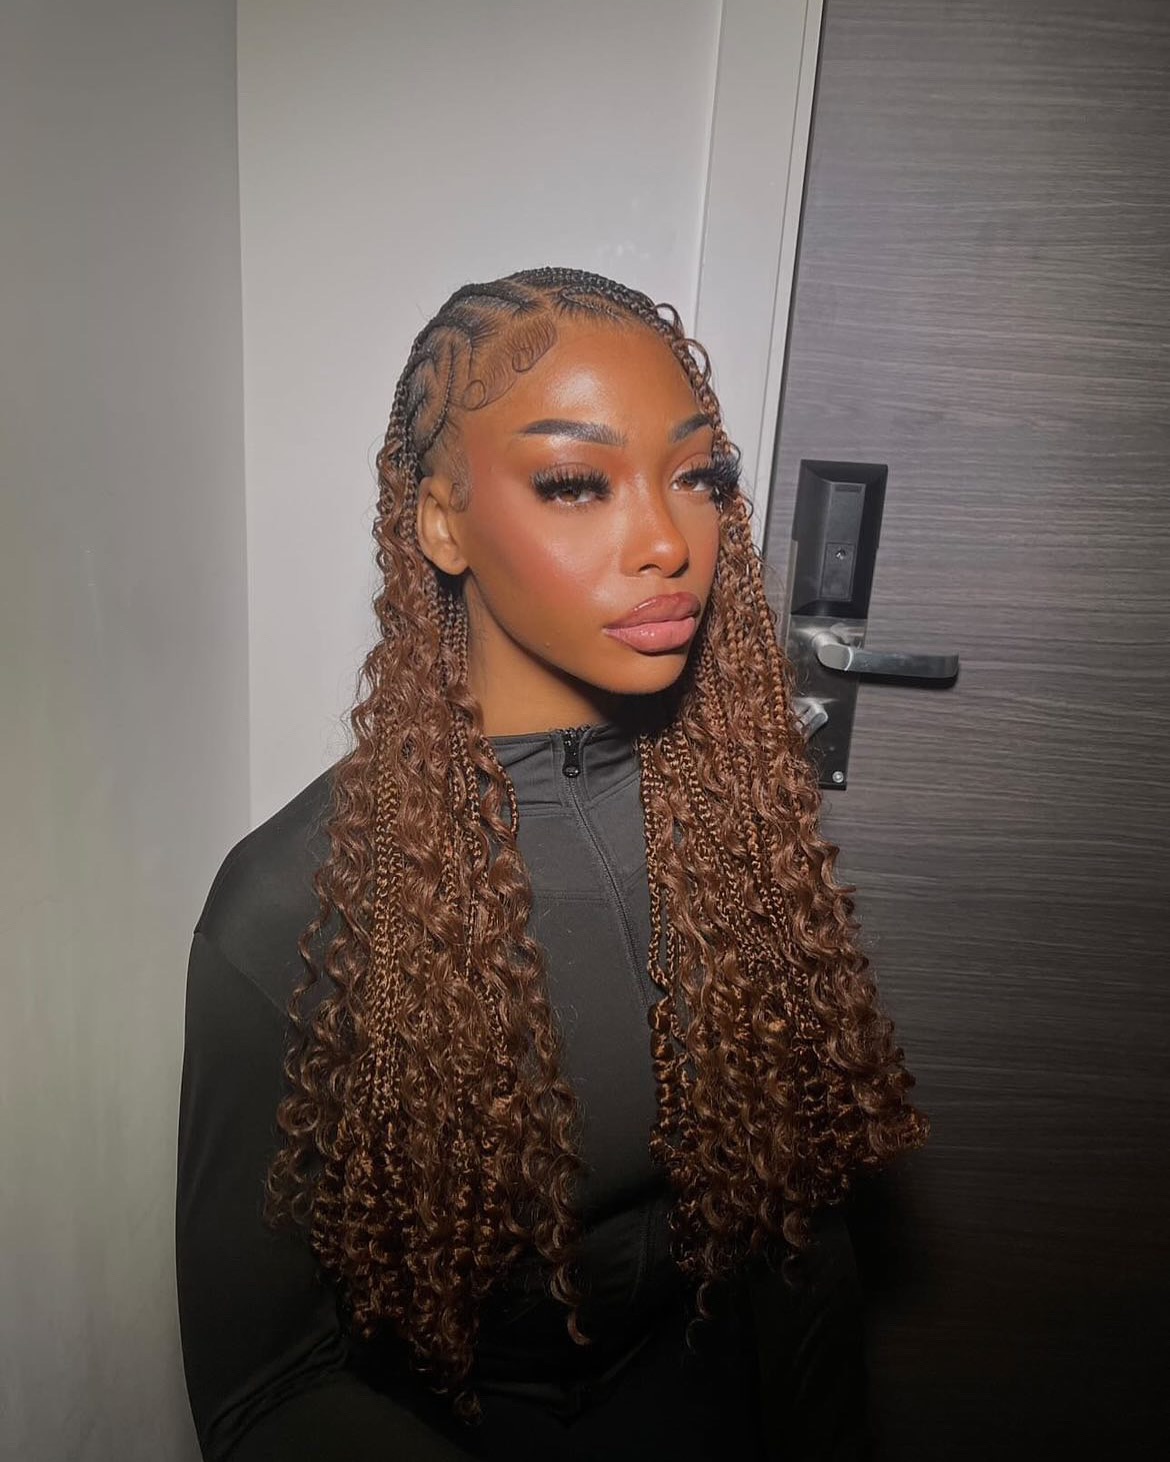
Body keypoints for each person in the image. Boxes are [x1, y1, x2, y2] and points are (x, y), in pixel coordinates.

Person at [175, 266, 928, 1461]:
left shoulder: (734, 823)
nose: (668, 542)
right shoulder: (289, 911)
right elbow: (266, 1391)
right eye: (576, 483)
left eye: (699, 477)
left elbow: (799, 1230)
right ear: (441, 522)